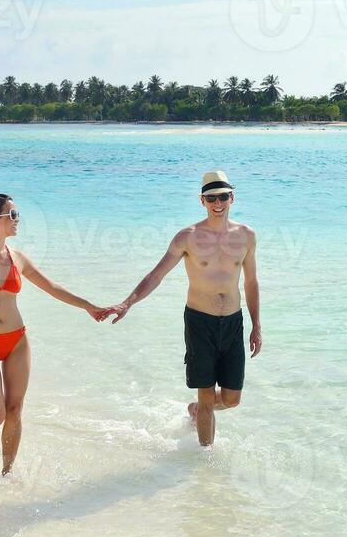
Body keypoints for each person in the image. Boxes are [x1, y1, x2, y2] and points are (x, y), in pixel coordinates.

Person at [0, 193, 106, 474]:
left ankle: (6, 475)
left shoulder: (17, 258)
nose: (18, 221)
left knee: (15, 410)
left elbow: (52, 287)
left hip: (17, 340)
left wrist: (88, 306)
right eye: (13, 215)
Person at [107, 171, 261, 447]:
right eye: (211, 198)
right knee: (205, 396)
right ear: (202, 201)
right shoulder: (187, 237)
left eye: (223, 197)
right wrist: (128, 302)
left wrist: (256, 326)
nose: (218, 203)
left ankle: (196, 410)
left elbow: (251, 282)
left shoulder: (246, 236)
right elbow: (156, 275)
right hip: (200, 322)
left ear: (232, 198)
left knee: (231, 399)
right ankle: (205, 466)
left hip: (233, 323)